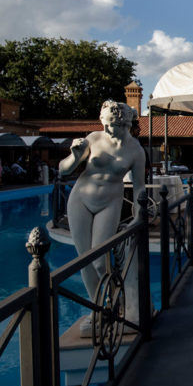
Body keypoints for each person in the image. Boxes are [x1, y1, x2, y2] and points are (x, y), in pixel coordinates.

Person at [58, 100, 146, 334]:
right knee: (84, 260)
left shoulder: (136, 150)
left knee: (99, 260)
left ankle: (117, 301)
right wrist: (75, 156)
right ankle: (99, 309)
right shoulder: (93, 139)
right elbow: (63, 169)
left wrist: (139, 213)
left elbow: (139, 187)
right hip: (80, 199)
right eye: (105, 123)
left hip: (110, 202)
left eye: (112, 125)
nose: (107, 129)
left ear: (125, 123)